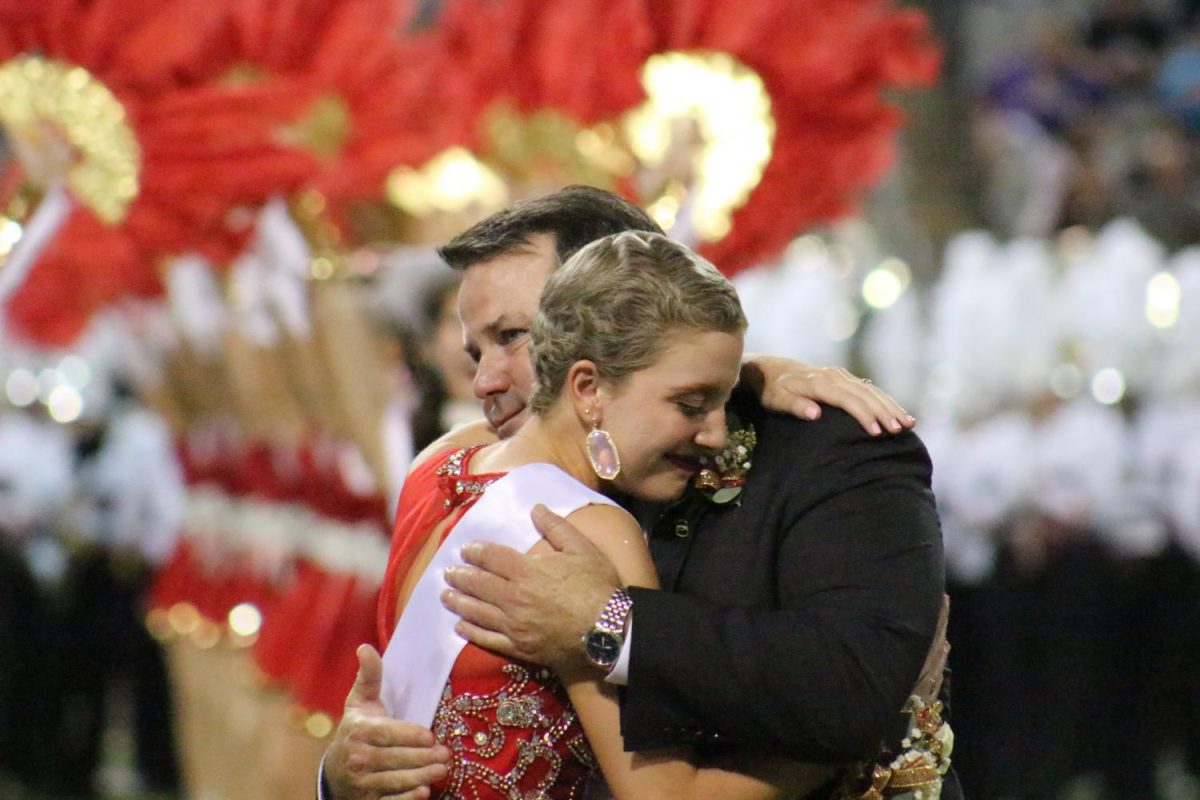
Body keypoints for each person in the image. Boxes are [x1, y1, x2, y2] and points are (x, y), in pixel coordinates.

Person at [322, 186, 949, 799]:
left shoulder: (831, 449)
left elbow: (847, 686)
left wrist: (611, 626)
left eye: (515, 335)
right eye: (472, 347)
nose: (484, 378)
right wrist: (342, 775)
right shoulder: (460, 468)